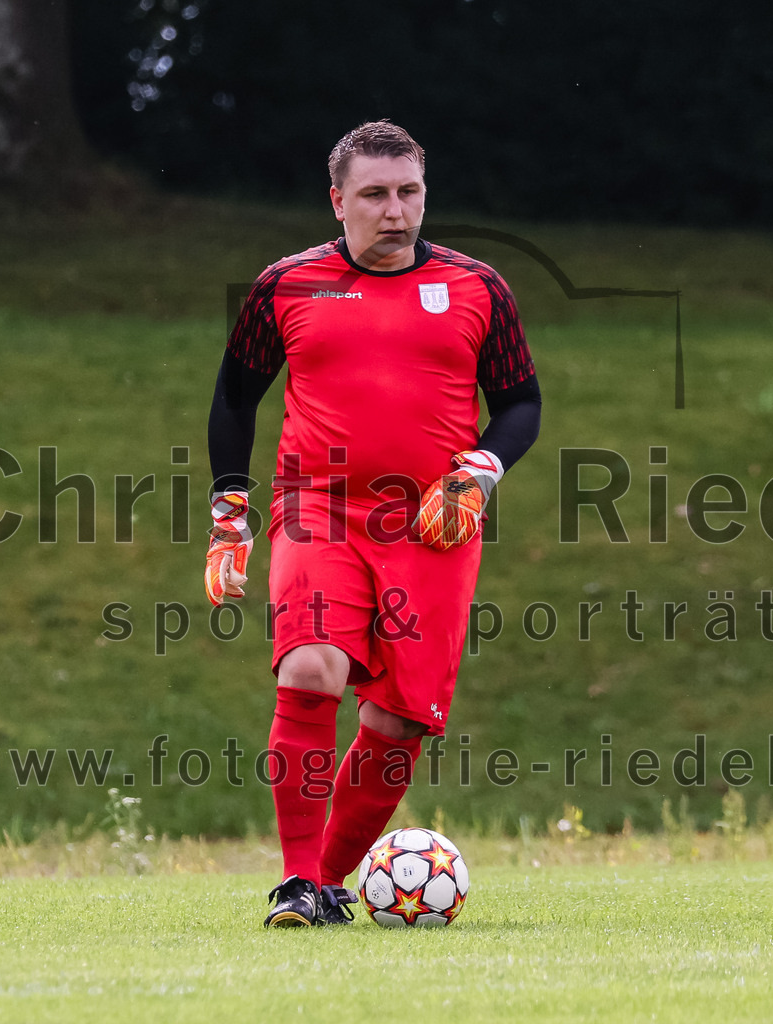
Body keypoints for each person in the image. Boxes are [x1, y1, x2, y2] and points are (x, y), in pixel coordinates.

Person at [205, 121, 541, 927]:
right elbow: (233, 399)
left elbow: (521, 404)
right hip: (316, 510)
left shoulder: (478, 288)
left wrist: (481, 470)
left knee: (396, 721)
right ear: (338, 200)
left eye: (409, 192)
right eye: (375, 195)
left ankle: (322, 884)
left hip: (433, 525)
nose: (396, 211)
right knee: (310, 667)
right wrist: (229, 515)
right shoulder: (287, 285)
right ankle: (294, 880)